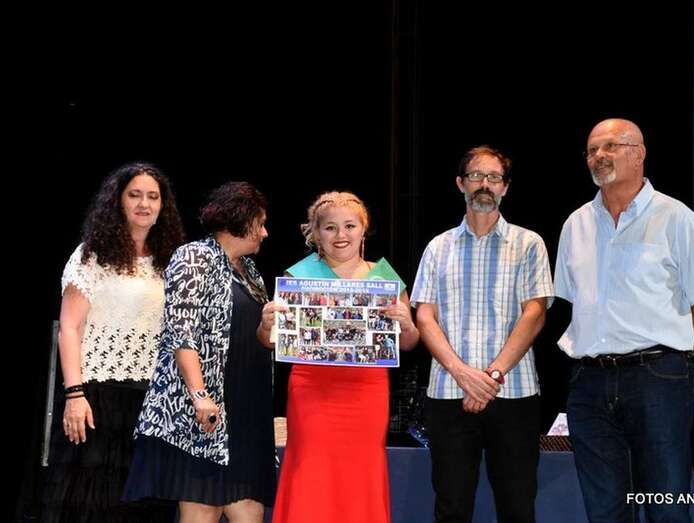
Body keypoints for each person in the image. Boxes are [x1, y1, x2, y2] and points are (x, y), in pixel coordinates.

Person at [554, 118, 694, 523]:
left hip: (657, 379)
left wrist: (673, 361)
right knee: (604, 510)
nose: (599, 156)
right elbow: (572, 301)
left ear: (639, 154)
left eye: (611, 146)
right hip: (589, 382)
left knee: (666, 506)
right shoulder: (575, 224)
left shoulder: (677, 218)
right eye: (592, 150)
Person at [411, 145, 553, 523]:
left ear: (505, 187)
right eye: (476, 176)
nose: (485, 184)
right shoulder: (438, 247)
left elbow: (535, 314)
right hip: (449, 393)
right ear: (461, 184)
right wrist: (463, 374)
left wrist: (491, 376)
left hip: (513, 393)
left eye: (494, 177)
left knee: (517, 508)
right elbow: (424, 316)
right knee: (451, 508)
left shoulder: (529, 243)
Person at [260, 191, 420, 523]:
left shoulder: (385, 278)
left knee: (361, 472)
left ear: (364, 229)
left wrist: (406, 324)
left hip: (366, 392)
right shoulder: (298, 277)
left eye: (349, 226)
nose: (340, 235)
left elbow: (408, 344)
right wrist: (266, 325)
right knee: (311, 470)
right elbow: (269, 342)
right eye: (330, 227)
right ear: (316, 234)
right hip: (311, 391)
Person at [124, 182, 277, 522]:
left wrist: (268, 327)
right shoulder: (194, 257)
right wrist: (199, 395)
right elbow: (182, 332)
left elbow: (259, 339)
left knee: (250, 509)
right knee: (203, 509)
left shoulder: (251, 272)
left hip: (246, 411)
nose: (265, 233)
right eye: (261, 223)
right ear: (241, 220)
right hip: (206, 412)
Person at [42, 162, 185, 522]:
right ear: (118, 200)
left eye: (153, 197)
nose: (144, 204)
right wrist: (74, 395)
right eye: (134, 195)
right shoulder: (92, 255)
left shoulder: (171, 261)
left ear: (163, 205)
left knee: (142, 506)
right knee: (91, 503)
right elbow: (69, 328)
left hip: (152, 402)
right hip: (96, 397)